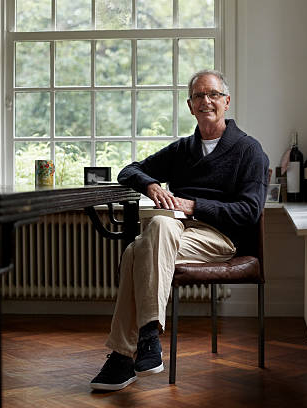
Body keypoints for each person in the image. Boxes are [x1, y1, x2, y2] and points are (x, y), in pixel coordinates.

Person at [90, 69, 269, 391]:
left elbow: (249, 211)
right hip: (173, 231)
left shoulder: (249, 150)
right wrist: (151, 184)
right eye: (199, 96)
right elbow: (128, 170)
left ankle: (123, 354)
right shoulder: (182, 149)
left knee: (136, 250)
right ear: (190, 106)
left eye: (213, 94)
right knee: (157, 225)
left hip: (219, 237)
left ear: (226, 102)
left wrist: (193, 206)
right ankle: (145, 342)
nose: (206, 101)